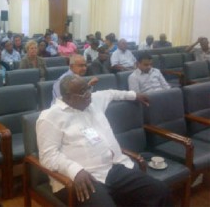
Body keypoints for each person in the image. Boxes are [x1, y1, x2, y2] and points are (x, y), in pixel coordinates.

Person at [37, 75, 173, 207]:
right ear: (67, 97)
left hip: (112, 168)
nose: (88, 94)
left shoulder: (92, 101)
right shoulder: (50, 117)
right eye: (82, 92)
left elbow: (111, 93)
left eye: (88, 89)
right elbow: (48, 156)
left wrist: (134, 95)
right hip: (83, 178)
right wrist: (75, 170)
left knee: (160, 191)